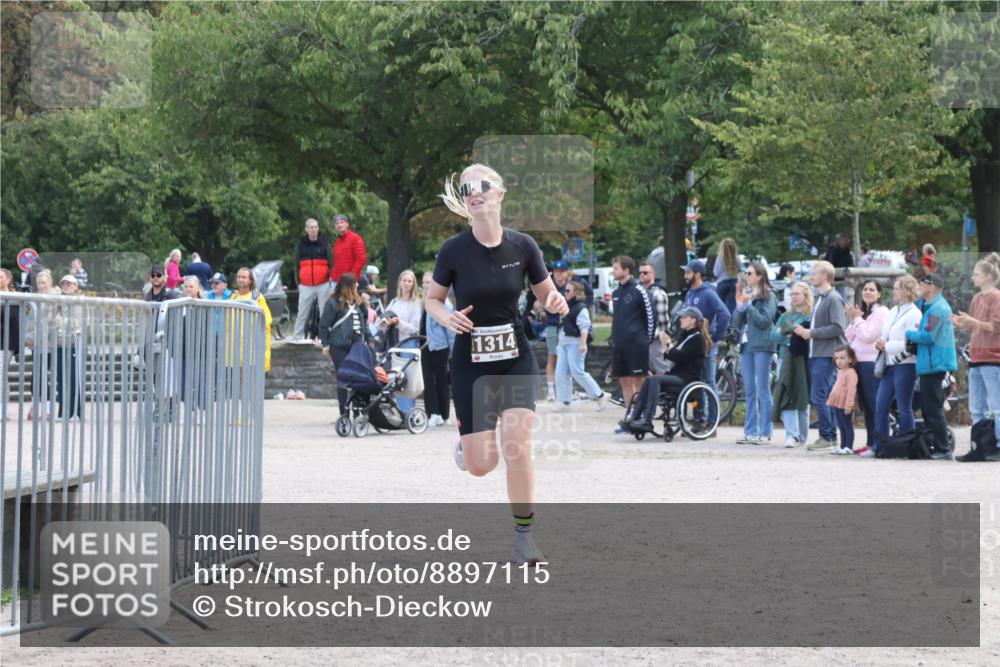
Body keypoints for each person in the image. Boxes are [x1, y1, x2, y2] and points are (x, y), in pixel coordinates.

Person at [425, 162, 568, 565]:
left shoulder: (523, 246)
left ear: (500, 194)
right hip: (471, 365)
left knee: (517, 446)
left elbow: (546, 295)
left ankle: (525, 538)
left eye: (482, 185)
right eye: (467, 188)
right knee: (481, 465)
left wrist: (555, 301)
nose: (474, 192)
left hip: (515, 358)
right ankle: (467, 442)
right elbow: (433, 299)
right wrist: (446, 318)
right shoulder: (453, 250)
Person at [626, 306, 708, 432]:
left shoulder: (697, 339)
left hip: (687, 379)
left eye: (684, 317)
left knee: (655, 380)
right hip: (677, 376)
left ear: (693, 320)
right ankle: (634, 418)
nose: (680, 320)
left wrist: (668, 344)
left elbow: (679, 357)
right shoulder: (686, 336)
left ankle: (647, 420)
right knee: (649, 380)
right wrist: (668, 346)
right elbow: (673, 355)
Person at [952, 259, 1000, 461]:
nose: (973, 277)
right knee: (976, 407)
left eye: (976, 274)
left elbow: (995, 327)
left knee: (996, 406)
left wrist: (974, 321)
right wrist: (963, 323)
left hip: (992, 358)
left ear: (988, 277)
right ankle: (978, 446)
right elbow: (976, 326)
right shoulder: (976, 298)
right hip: (976, 357)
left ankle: (998, 446)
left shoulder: (997, 297)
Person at [905, 272, 956, 458]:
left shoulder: (937, 309)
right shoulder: (931, 307)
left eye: (922, 284)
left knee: (933, 408)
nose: (919, 287)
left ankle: (943, 449)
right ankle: (936, 446)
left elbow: (929, 336)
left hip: (935, 365)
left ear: (931, 286)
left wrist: (908, 333)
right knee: (929, 408)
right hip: (930, 364)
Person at [798, 261, 848, 452]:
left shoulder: (833, 299)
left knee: (818, 395)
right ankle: (830, 436)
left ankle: (827, 435)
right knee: (824, 395)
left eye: (815, 273)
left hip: (827, 354)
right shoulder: (822, 298)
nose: (812, 276)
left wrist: (811, 333)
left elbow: (838, 327)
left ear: (825, 275)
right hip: (818, 352)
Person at [872, 275, 922, 458]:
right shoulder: (893, 310)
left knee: (904, 406)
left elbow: (911, 343)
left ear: (907, 291)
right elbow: (887, 335)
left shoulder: (915, 313)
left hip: (905, 364)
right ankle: (880, 447)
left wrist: (887, 346)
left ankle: (907, 446)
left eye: (897, 288)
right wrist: (881, 342)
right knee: (881, 405)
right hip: (889, 363)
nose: (893, 290)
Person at [732, 262, 777, 444]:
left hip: (762, 344)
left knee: (763, 389)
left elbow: (765, 321)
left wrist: (749, 306)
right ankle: (750, 431)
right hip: (746, 344)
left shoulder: (769, 295)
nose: (747, 275)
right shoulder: (748, 294)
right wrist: (739, 307)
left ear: (759, 276)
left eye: (750, 273)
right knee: (749, 389)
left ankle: (765, 431)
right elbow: (736, 323)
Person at [320, 274, 373, 415]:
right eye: (355, 283)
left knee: (357, 378)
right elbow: (323, 325)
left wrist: (369, 337)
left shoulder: (358, 301)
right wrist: (325, 344)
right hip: (338, 344)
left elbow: (364, 321)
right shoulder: (333, 303)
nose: (357, 285)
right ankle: (344, 413)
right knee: (343, 378)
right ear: (348, 285)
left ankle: (356, 412)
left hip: (357, 344)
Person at [845, 280, 887, 454]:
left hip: (871, 362)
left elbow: (869, 336)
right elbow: (848, 336)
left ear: (879, 294)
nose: (867, 292)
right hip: (858, 362)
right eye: (865, 289)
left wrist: (857, 320)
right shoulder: (863, 314)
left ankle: (879, 443)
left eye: (872, 289)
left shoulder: (881, 312)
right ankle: (870, 443)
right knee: (866, 405)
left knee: (873, 403)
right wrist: (855, 319)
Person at [610, 255, 654, 423]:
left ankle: (642, 414)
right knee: (624, 380)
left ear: (626, 270)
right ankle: (630, 415)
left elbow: (650, 317)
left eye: (616, 268)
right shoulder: (615, 293)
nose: (613, 271)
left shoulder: (639, 290)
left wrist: (646, 340)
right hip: (620, 344)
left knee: (639, 380)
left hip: (637, 343)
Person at [681, 259, 730, 409]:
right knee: (696, 381)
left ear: (697, 274)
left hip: (706, 343)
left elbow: (725, 315)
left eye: (688, 272)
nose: (685, 276)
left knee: (708, 381)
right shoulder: (690, 293)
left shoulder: (708, 293)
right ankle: (699, 415)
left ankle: (713, 418)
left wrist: (714, 338)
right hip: (693, 343)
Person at [554, 280, 608, 410]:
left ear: (576, 292)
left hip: (575, 343)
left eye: (568, 290)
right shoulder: (566, 305)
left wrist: (583, 344)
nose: (565, 292)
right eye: (565, 290)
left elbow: (585, 327)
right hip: (563, 344)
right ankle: (565, 402)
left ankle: (600, 395)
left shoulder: (581, 307)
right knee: (561, 373)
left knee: (577, 371)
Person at [771, 281, 812, 448]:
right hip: (785, 358)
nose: (793, 297)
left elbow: (809, 336)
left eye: (797, 294)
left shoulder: (810, 316)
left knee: (802, 396)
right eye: (792, 294)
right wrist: (789, 335)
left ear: (806, 295)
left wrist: (794, 334)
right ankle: (791, 434)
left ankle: (802, 435)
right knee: (786, 394)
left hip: (803, 360)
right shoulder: (785, 316)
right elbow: (774, 336)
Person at [384, 269, 422, 414]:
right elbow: (382, 321)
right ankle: (401, 412)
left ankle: (408, 412)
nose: (406, 283)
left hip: (408, 344)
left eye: (409, 281)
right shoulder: (394, 302)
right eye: (404, 280)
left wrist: (399, 322)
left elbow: (414, 328)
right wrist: (384, 321)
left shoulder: (415, 303)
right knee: (396, 378)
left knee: (408, 380)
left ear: (413, 284)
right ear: (399, 282)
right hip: (395, 344)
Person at [420, 272, 455, 427]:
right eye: (424, 282)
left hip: (440, 346)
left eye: (429, 282)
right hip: (425, 346)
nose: (426, 285)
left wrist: (452, 352)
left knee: (441, 381)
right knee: (427, 380)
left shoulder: (445, 304)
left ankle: (444, 415)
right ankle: (432, 413)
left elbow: (450, 330)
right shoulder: (424, 302)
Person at [292, 217, 333, 344]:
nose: (314, 229)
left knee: (325, 312)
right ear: (306, 229)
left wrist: (330, 280)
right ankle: (297, 337)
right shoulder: (300, 245)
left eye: (316, 227)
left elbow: (332, 263)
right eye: (311, 227)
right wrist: (298, 283)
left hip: (323, 284)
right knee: (302, 312)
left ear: (318, 228)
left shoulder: (325, 244)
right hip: (305, 284)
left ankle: (326, 338)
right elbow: (295, 265)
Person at [540, 259, 573, 401]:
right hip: (552, 325)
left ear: (566, 273)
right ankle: (550, 391)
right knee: (552, 356)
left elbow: (586, 296)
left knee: (567, 358)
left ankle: (566, 390)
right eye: (557, 272)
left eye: (562, 272)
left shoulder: (571, 287)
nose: (559, 275)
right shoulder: (549, 286)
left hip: (568, 326)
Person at [230, 267, 272, 373]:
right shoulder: (233, 297)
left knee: (252, 375)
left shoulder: (256, 297)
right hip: (236, 345)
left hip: (251, 345)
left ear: (250, 280)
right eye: (239, 277)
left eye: (244, 277)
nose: (240, 279)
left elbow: (266, 320)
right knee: (238, 376)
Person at [638, 261, 671, 375]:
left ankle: (666, 386)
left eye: (645, 272)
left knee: (662, 370)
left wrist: (654, 337)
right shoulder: (640, 292)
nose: (642, 275)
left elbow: (663, 322)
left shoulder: (658, 294)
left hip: (655, 340)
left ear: (653, 274)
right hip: (642, 339)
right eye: (640, 273)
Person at [827, 345, 860, 455]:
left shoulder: (851, 372)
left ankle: (848, 447)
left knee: (847, 425)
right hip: (838, 402)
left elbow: (852, 390)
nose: (839, 361)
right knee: (840, 425)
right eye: (836, 358)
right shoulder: (840, 371)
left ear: (850, 359)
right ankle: (842, 446)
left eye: (842, 358)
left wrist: (849, 405)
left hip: (845, 403)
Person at [331, 214, 367, 282]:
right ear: (335, 226)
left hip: (349, 281)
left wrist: (352, 276)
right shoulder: (337, 243)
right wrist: (332, 276)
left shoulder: (355, 238)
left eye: (341, 222)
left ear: (347, 224)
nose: (339, 225)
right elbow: (336, 263)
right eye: (337, 223)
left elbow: (361, 259)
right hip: (336, 280)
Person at [1, 268, 22, 368]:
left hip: (6, 342)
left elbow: (13, 318)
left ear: (8, 280)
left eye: (0, 277)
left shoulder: (14, 297)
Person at [713, 237, 740, 314]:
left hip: (722, 283)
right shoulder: (737, 258)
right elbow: (740, 269)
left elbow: (716, 273)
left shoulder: (720, 258)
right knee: (732, 307)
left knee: (720, 308)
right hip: (734, 283)